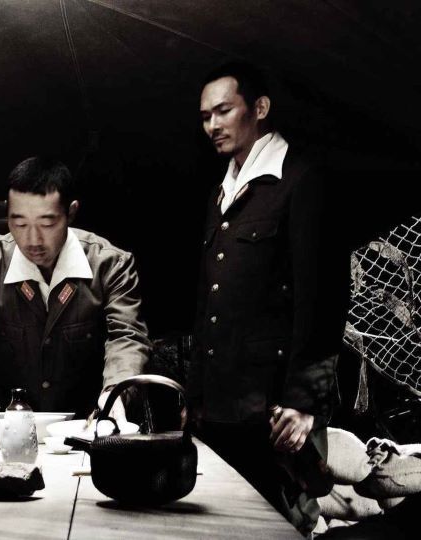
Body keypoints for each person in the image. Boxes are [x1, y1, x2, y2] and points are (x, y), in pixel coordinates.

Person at [189, 62, 348, 534]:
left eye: (223, 111)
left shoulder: (301, 180)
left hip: (275, 409)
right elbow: (209, 304)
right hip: (221, 407)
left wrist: (304, 401)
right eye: (205, 116)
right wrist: (195, 398)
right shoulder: (221, 191)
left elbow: (323, 299)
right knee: (225, 527)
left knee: (281, 524)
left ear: (259, 108)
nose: (213, 125)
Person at [0, 157, 150, 417]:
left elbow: (127, 337)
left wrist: (114, 395)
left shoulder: (110, 264)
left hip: (90, 422)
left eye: (47, 224)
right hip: (9, 423)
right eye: (20, 224)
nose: (33, 240)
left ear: (71, 212)